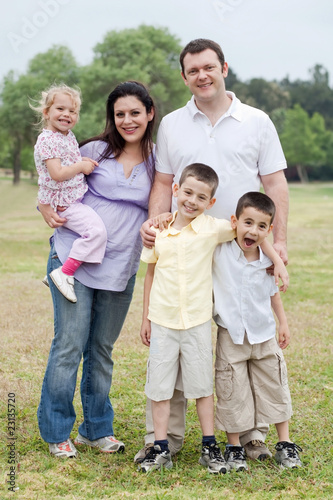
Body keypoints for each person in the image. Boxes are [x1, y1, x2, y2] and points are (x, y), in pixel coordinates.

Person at [137, 38, 289, 464]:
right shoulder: (171, 124)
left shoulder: (256, 121)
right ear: (184, 77)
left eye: (208, 67)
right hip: (184, 246)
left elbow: (275, 185)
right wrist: (155, 223)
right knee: (174, 331)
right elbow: (164, 183)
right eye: (192, 71)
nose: (201, 76)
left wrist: (277, 242)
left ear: (224, 67)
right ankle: (165, 438)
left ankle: (251, 433)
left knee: (241, 338)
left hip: (239, 249)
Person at [138, 165, 287, 474]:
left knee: (202, 387)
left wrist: (276, 261)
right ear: (176, 190)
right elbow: (149, 275)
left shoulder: (213, 228)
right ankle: (160, 447)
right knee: (160, 387)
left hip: (197, 322)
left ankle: (210, 446)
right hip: (163, 321)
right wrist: (145, 318)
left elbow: (255, 231)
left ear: (211, 202)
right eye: (188, 193)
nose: (192, 201)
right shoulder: (159, 231)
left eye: (201, 197)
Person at [37, 81, 156, 458]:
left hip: (120, 267)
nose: (127, 120)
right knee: (69, 346)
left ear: (149, 114)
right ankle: (57, 431)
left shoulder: (159, 160)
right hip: (74, 260)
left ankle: (96, 428)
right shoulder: (91, 149)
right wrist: (42, 207)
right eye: (120, 113)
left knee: (101, 350)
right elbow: (52, 178)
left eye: (135, 112)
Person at [213, 191, 302, 470]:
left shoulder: (266, 262)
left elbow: (273, 293)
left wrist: (283, 322)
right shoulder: (221, 252)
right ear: (234, 222)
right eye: (247, 222)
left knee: (274, 386)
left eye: (261, 226)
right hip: (231, 335)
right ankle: (234, 446)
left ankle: (285, 444)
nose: (253, 230)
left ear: (269, 230)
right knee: (231, 390)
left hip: (264, 335)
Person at [32, 84, 107, 303]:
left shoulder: (65, 136)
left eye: (72, 111)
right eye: (60, 109)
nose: (67, 114)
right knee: (96, 232)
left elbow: (65, 161)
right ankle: (64, 272)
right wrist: (81, 167)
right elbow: (57, 173)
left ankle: (59, 271)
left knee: (94, 231)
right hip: (65, 203)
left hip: (71, 199)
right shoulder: (47, 140)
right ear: (47, 113)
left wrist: (80, 160)